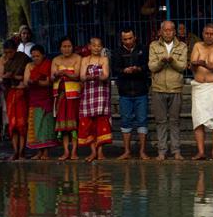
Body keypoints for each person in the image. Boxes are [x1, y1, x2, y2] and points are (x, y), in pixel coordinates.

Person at [149, 20, 188, 160]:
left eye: (170, 30)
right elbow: (152, 67)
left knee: (175, 121)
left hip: (175, 88)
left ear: (174, 31)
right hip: (158, 88)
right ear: (160, 31)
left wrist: (172, 61)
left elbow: (183, 66)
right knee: (160, 121)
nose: (168, 32)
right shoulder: (154, 46)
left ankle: (176, 151)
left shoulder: (182, 46)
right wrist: (161, 61)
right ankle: (162, 151)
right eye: (165, 30)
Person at [189, 23, 213, 160]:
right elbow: (193, 64)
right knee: (198, 120)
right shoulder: (197, 46)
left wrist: (203, 63)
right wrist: (195, 64)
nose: (209, 36)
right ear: (203, 34)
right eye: (206, 33)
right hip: (199, 87)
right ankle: (201, 152)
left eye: (212, 34)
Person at [112, 27, 150, 160]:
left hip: (141, 91)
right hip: (125, 92)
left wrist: (138, 69)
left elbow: (147, 66)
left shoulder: (143, 49)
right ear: (121, 40)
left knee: (142, 121)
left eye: (130, 38)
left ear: (135, 38)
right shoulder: (117, 52)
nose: (128, 41)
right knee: (126, 121)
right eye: (125, 39)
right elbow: (115, 69)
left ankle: (142, 151)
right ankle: (127, 151)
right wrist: (124, 70)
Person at [79, 37, 112, 162]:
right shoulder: (85, 60)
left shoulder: (104, 59)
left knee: (101, 123)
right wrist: (95, 76)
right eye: (94, 45)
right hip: (88, 95)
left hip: (101, 95)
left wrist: (91, 76)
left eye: (99, 46)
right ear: (89, 46)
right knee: (89, 124)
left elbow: (106, 76)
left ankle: (100, 152)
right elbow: (82, 77)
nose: (97, 48)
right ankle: (93, 151)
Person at [51, 37, 82, 161]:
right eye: (64, 46)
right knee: (63, 127)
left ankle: (74, 151)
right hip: (61, 96)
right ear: (60, 48)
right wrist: (59, 74)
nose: (67, 49)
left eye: (69, 46)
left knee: (73, 125)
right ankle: (65, 151)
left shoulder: (78, 58)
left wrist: (63, 73)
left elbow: (77, 75)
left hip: (74, 96)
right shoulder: (55, 60)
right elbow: (52, 76)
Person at [24, 45, 58, 159]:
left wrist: (37, 83)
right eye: (33, 56)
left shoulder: (48, 64)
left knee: (45, 125)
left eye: (37, 56)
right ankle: (39, 152)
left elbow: (49, 83)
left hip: (46, 98)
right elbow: (25, 82)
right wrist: (31, 82)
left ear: (43, 55)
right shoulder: (29, 66)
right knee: (36, 125)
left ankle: (46, 153)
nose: (35, 58)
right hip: (33, 99)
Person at [0, 40, 30, 160]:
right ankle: (15, 151)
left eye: (10, 52)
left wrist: (14, 76)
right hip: (10, 93)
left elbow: (27, 76)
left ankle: (22, 152)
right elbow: (1, 77)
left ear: (16, 49)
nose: (8, 54)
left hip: (22, 92)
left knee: (21, 124)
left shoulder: (23, 58)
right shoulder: (4, 59)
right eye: (6, 52)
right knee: (13, 125)